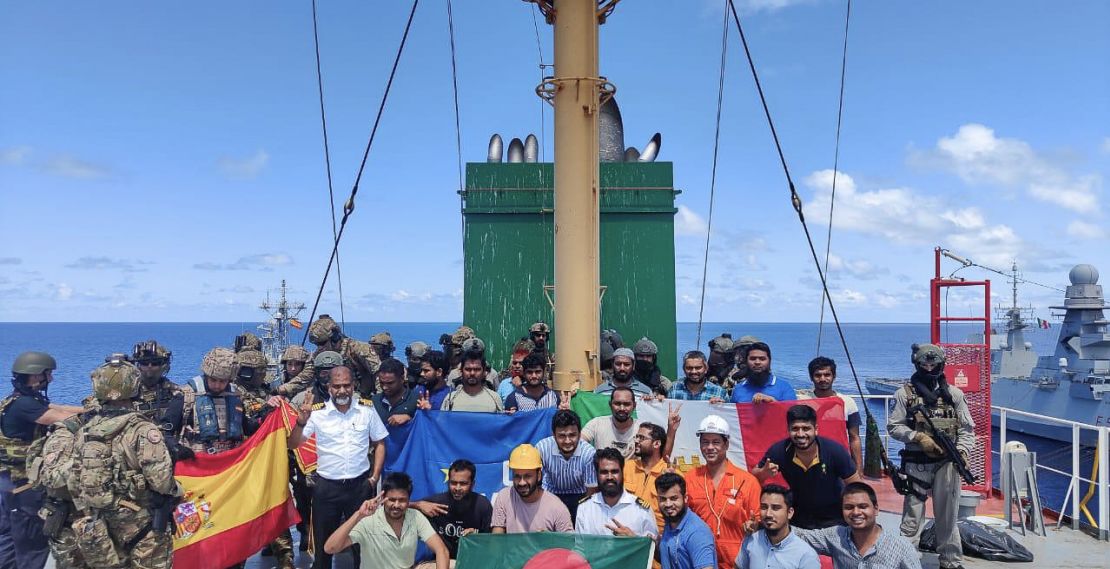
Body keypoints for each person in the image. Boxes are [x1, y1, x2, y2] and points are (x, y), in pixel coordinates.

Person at [65, 357, 181, 569]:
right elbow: (161, 481)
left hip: (100, 524)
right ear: (134, 386)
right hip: (141, 523)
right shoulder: (144, 431)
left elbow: (74, 481)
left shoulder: (85, 431)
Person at [289, 365, 389, 569]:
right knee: (324, 546)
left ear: (353, 386)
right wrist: (300, 422)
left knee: (363, 545)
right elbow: (292, 444)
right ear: (329, 387)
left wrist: (374, 478)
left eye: (346, 386)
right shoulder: (316, 414)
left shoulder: (366, 410)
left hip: (359, 487)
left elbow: (379, 443)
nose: (342, 391)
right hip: (326, 489)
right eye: (337, 386)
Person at [888, 344, 974, 569]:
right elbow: (894, 427)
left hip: (947, 463)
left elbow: (966, 429)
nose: (929, 368)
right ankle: (906, 560)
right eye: (924, 364)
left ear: (940, 364)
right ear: (917, 364)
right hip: (917, 464)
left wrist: (963, 451)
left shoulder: (954, 395)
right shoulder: (904, 395)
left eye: (933, 364)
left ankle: (951, 561)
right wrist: (918, 437)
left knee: (948, 516)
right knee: (912, 516)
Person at [0, 352, 82, 569]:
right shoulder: (25, 405)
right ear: (36, 376)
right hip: (23, 486)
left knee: (8, 540)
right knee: (33, 545)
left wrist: (89, 408)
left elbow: (56, 407)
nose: (51, 379)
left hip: (7, 482)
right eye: (48, 374)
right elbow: (63, 418)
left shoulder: (16, 400)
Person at [751, 405, 859, 529]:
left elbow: (856, 486)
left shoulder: (834, 451)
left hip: (835, 518)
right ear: (788, 430)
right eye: (795, 429)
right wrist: (764, 473)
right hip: (798, 518)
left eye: (806, 428)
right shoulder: (779, 451)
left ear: (816, 429)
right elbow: (753, 478)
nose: (800, 434)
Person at [234, 350, 294, 569]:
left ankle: (285, 559)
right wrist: (267, 407)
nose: (264, 376)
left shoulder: (264, 390)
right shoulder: (233, 394)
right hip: (243, 463)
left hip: (266, 461)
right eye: (261, 372)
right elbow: (248, 421)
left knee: (275, 508)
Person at [323, 472, 449, 569]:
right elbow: (330, 548)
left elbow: (441, 550)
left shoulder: (415, 517)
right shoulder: (367, 521)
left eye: (402, 500)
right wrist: (358, 515)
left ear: (409, 500)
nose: (396, 505)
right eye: (392, 499)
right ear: (383, 498)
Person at [685, 414, 760, 568]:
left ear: (726, 445)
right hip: (699, 559)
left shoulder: (747, 481)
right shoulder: (689, 478)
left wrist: (755, 525)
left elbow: (759, 519)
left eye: (716, 442)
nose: (710, 447)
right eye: (705, 442)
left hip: (737, 561)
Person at [792, 482, 922, 569]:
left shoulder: (901, 548)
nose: (856, 512)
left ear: (876, 509)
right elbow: (801, 535)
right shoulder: (835, 536)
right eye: (849, 507)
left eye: (862, 507)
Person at [178, 348, 259, 455]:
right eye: (213, 380)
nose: (217, 385)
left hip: (229, 460)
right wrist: (178, 450)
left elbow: (246, 427)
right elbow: (169, 431)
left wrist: (266, 414)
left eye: (222, 381)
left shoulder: (235, 395)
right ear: (206, 376)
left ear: (229, 379)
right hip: (197, 460)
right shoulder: (187, 396)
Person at [409, 459, 493, 561]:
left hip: (473, 562)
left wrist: (477, 536)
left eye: (463, 483)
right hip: (442, 562)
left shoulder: (482, 505)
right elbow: (396, 506)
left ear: (472, 484)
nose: (457, 488)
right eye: (453, 483)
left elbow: (492, 542)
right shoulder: (436, 503)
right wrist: (418, 505)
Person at [575, 447, 657, 539]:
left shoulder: (641, 510)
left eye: (614, 471)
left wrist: (633, 539)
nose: (610, 477)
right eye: (604, 472)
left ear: (622, 472)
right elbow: (580, 548)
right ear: (596, 474)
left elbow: (652, 547)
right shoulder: (585, 508)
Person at [797, 357, 862, 473]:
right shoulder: (801, 401)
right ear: (811, 377)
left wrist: (859, 469)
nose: (823, 379)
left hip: (840, 461)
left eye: (827, 375)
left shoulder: (848, 402)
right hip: (809, 462)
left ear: (834, 376)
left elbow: (854, 437)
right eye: (818, 375)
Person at [491, 444, 573, 533]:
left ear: (539, 475)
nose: (522, 482)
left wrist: (551, 540)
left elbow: (567, 544)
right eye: (517, 476)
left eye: (527, 476)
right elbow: (497, 541)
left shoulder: (557, 508)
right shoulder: (504, 497)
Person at [735, 484, 820, 569]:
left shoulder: (806, 554)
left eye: (775, 508)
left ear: (789, 513)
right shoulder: (751, 540)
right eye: (764, 507)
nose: (768, 514)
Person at [535, 409, 597, 521]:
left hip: (579, 496)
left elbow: (590, 492)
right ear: (554, 435)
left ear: (579, 434)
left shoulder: (589, 453)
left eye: (572, 435)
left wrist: (583, 515)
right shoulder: (542, 448)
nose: (567, 441)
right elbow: (536, 483)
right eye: (562, 436)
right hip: (550, 494)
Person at [308, 315, 381, 398]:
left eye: (322, 343)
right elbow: (306, 375)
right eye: (317, 344)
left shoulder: (358, 349)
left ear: (334, 338)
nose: (319, 348)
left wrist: (378, 399)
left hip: (361, 398)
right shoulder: (318, 355)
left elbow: (379, 372)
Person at [655, 472, 716, 569]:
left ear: (685, 498)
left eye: (673, 498)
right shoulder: (671, 522)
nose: (668, 504)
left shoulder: (697, 533)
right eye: (663, 499)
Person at [624, 422, 670, 534]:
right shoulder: (626, 467)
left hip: (658, 539)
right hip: (625, 535)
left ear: (656, 444)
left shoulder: (669, 473)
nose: (636, 441)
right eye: (636, 437)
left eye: (642, 438)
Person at [130, 340, 183, 432]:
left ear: (164, 366)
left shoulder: (175, 393)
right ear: (138, 365)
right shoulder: (129, 392)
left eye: (155, 363)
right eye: (145, 363)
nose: (149, 367)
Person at [581, 386, 642, 459]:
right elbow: (579, 444)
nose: (622, 408)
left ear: (634, 406)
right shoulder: (596, 423)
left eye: (626, 404)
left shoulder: (641, 429)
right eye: (617, 404)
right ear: (610, 405)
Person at [729, 342, 796, 404]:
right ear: (746, 361)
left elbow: (792, 415)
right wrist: (720, 406)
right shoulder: (738, 389)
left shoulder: (784, 387)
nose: (757, 362)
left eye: (762, 359)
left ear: (769, 361)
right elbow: (731, 415)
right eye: (753, 358)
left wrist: (773, 402)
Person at [371, 358, 419, 427]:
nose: (385, 387)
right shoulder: (374, 401)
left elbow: (425, 428)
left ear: (402, 379)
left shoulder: (416, 400)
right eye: (382, 383)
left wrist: (409, 419)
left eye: (390, 383)